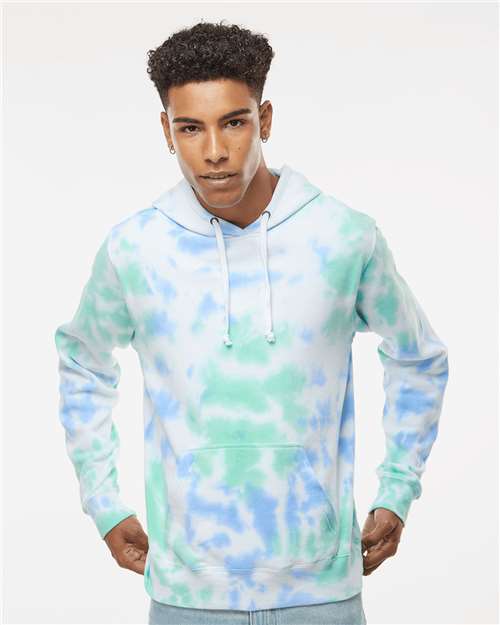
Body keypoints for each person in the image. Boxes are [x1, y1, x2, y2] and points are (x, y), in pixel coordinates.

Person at [54, 20, 449, 625]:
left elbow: (418, 357)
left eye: (233, 122)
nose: (214, 150)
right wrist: (103, 503)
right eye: (190, 128)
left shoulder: (343, 237)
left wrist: (398, 488)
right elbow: (83, 361)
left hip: (321, 592)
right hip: (189, 596)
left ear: (264, 120)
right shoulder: (135, 249)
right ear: (166, 130)